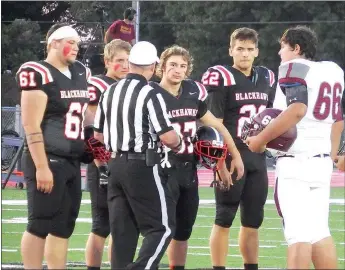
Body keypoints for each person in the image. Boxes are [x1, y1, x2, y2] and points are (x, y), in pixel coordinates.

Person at [245, 25, 344, 269]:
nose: (280, 53)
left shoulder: (293, 67)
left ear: (296, 48)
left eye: (283, 47)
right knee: (319, 232)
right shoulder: (332, 70)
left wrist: (260, 140)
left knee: (298, 236)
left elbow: (297, 109)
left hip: (295, 161)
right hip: (320, 162)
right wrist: (335, 152)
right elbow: (338, 118)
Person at [149, 45, 244, 270]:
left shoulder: (193, 92)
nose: (178, 70)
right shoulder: (151, 93)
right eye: (172, 65)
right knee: (161, 230)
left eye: (183, 66)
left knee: (183, 230)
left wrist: (232, 158)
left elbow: (217, 126)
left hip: (188, 170)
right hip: (161, 170)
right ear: (162, 67)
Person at [93, 41, 182, 269]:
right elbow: (168, 137)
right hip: (142, 164)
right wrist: (179, 141)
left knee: (123, 233)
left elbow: (98, 135)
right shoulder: (150, 93)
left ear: (130, 63)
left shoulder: (109, 91)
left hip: (115, 165)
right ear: (153, 67)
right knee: (162, 228)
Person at [16, 23, 92, 269]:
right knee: (39, 223)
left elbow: (84, 116)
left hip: (71, 160)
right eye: (71, 42)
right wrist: (41, 166)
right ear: (53, 43)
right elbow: (30, 125)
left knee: (63, 226)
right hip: (48, 157)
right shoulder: (38, 73)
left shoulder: (81, 72)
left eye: (79, 44)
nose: (76, 48)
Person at [201, 27, 276, 270]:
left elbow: (271, 117)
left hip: (257, 158)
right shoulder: (221, 76)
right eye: (240, 49)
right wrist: (221, 162)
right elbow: (214, 125)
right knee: (224, 217)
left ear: (257, 52)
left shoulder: (266, 76)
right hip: (232, 156)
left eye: (250, 49)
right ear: (231, 50)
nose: (245, 54)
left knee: (253, 221)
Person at [85, 39, 132, 270]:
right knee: (101, 225)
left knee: (121, 225)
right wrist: (101, 163)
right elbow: (91, 130)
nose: (124, 66)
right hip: (104, 164)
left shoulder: (130, 86)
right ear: (107, 61)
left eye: (127, 61)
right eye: (119, 61)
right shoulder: (98, 85)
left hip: (125, 163)